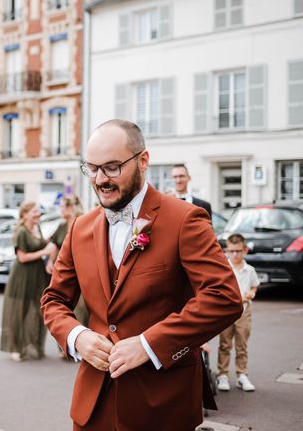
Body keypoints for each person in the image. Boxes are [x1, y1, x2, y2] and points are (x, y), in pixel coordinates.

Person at [41, 119, 243, 430]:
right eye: (91, 168)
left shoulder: (185, 219)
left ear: (143, 161)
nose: (99, 179)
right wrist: (76, 337)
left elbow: (224, 298)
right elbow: (53, 300)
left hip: (163, 405)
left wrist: (149, 344)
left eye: (111, 167)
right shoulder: (79, 227)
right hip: (92, 406)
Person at [0, 200, 55, 361]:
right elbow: (22, 257)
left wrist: (50, 255)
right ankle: (16, 348)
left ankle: (34, 346)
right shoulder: (22, 231)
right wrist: (45, 251)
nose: (38, 214)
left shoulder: (37, 228)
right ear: (25, 214)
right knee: (20, 312)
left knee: (38, 311)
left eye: (38, 211)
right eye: (34, 211)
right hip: (22, 276)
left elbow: (47, 247)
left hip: (38, 275)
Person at [216, 233, 260, 393]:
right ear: (227, 251)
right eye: (232, 251)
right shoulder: (224, 268)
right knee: (225, 345)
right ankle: (223, 375)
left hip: (244, 312)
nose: (235, 254)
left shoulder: (250, 270)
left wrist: (252, 293)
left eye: (238, 251)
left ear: (245, 250)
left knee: (242, 345)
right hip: (226, 313)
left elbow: (254, 286)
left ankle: (242, 375)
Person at [47, 195, 89, 331]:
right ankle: (65, 345)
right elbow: (54, 244)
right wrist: (49, 261)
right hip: (63, 271)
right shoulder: (61, 225)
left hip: (81, 271)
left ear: (70, 208)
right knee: (61, 306)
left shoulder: (82, 223)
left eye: (62, 207)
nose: (60, 210)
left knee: (80, 308)